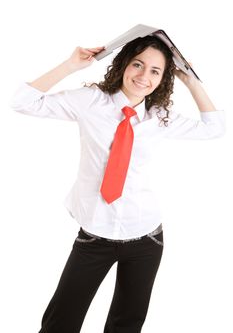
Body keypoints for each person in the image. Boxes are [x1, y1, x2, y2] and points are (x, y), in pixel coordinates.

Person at [10, 35, 225, 333]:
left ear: (163, 78)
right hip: (94, 237)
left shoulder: (160, 118)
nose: (143, 76)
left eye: (155, 71)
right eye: (138, 64)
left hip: (147, 238)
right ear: (124, 64)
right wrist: (71, 65)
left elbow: (216, 129)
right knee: (60, 322)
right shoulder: (90, 102)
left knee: (126, 325)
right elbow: (22, 102)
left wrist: (191, 80)